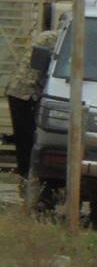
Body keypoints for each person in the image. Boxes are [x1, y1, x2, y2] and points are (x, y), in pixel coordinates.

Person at [6, 22, 57, 184]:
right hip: (25, 92)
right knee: (26, 139)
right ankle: (27, 177)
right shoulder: (52, 38)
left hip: (22, 91)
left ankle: (28, 177)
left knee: (25, 138)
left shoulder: (49, 36)